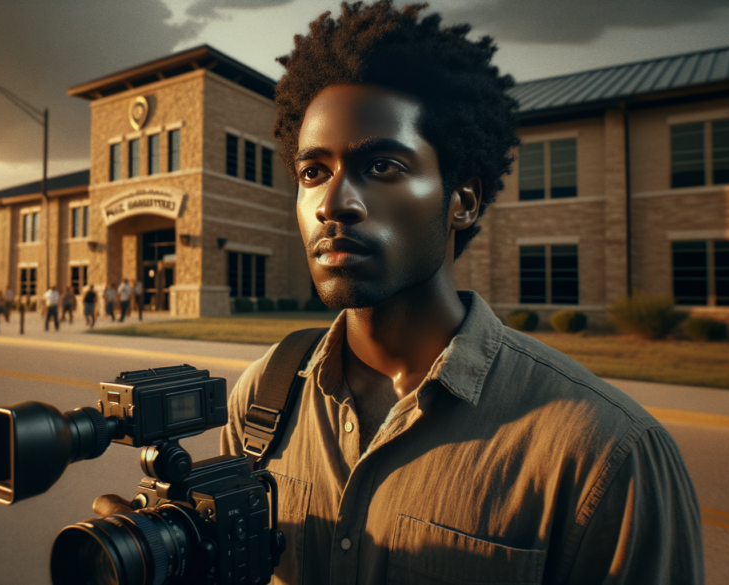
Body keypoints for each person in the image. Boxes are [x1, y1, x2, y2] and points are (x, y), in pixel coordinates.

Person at [211, 4, 702, 584]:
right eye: (313, 172)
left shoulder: (607, 454)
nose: (334, 203)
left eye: (383, 165)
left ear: (461, 201)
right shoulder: (264, 399)